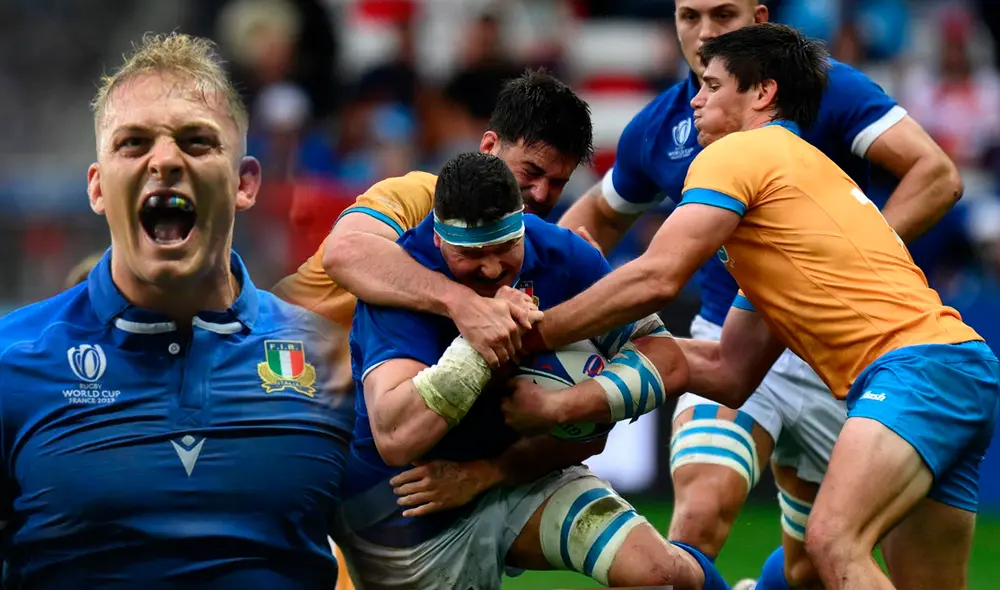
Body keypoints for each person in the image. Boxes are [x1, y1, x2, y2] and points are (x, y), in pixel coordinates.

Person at [507, 23, 999, 590]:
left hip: (913, 371)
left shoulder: (739, 151)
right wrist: (611, 357)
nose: (695, 97)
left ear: (762, 94)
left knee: (832, 541)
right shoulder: (796, 197)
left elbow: (658, 275)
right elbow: (731, 371)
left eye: (712, 86)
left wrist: (540, 335)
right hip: (959, 364)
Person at [0, 33, 355, 589]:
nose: (164, 160)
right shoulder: (10, 361)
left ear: (244, 182)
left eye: (196, 141)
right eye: (133, 143)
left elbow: (400, 555)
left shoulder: (333, 360)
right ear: (96, 187)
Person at [272, 68, 600, 590]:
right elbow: (346, 251)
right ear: (489, 146)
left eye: (556, 183)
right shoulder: (416, 193)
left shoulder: (522, 252)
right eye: (530, 171)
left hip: (352, 438)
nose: (540, 193)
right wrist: (461, 302)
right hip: (273, 388)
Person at [339, 151, 727, 590]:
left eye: (505, 247)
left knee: (660, 574)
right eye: (470, 254)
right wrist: (477, 342)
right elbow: (396, 437)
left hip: (517, 477)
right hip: (410, 519)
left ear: (522, 226)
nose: (490, 267)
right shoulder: (401, 283)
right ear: (438, 241)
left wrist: (558, 408)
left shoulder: (559, 253)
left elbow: (667, 359)